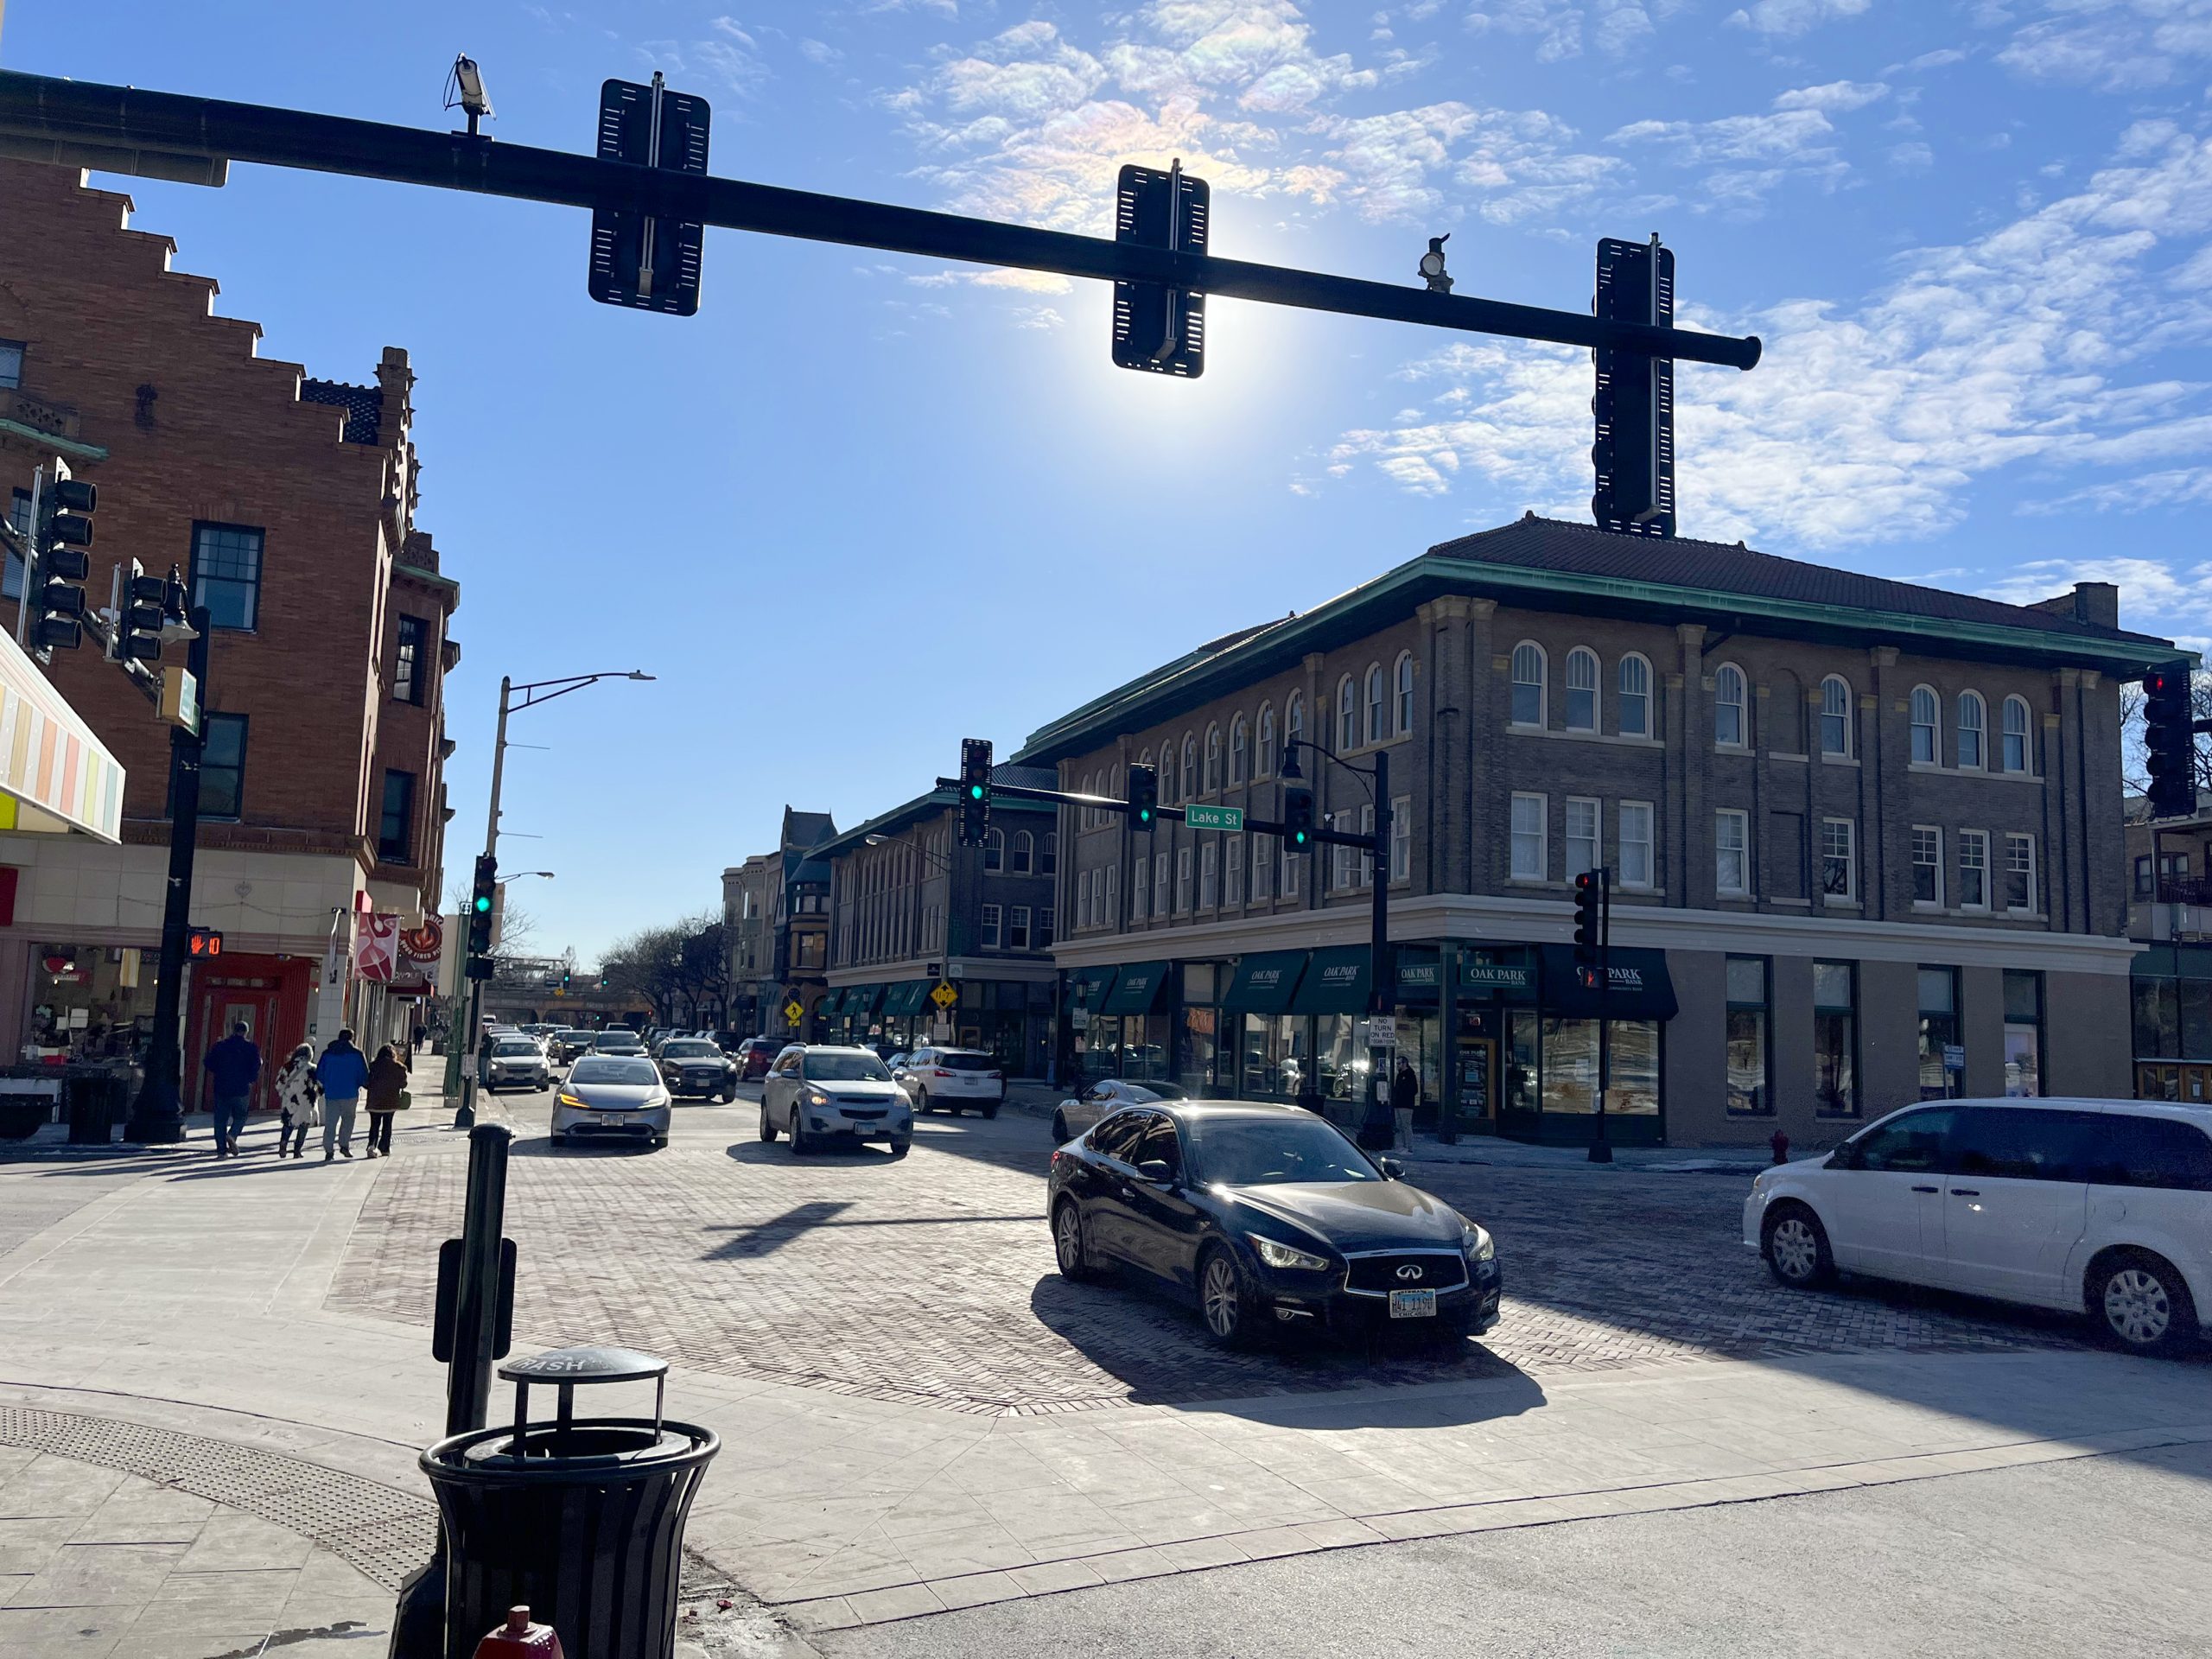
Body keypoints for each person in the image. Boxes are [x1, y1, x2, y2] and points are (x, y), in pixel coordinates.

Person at [201, 1020, 262, 1159]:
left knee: (220, 1120)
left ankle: (221, 1151)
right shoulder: (251, 1048)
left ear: (233, 1031)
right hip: (241, 1087)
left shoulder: (220, 1046)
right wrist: (250, 1079)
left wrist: (219, 1072)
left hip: (221, 1087)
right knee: (241, 1116)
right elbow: (256, 1066)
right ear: (246, 1032)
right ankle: (232, 1134)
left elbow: (208, 1062)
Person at [315, 1028, 370, 1161]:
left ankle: (329, 1150)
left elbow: (319, 1073)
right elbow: (364, 1075)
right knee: (348, 1120)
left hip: (332, 1093)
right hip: (350, 1093)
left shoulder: (327, 1053)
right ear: (352, 1038)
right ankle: (344, 1144)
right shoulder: (357, 1054)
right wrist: (360, 1084)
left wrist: (328, 1083)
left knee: (330, 1123)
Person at [275, 1043, 321, 1160]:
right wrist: (316, 1096)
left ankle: (283, 1143)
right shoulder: (313, 1069)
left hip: (290, 1100)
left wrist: (284, 1092)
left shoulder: (287, 1067)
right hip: (306, 1101)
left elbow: (278, 1084)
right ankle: (297, 1150)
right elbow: (321, 1086)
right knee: (304, 1124)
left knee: (288, 1123)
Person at [363, 1043, 409, 1159]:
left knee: (374, 1125)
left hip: (375, 1101)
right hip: (390, 1101)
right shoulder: (399, 1067)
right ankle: (385, 1148)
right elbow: (403, 1084)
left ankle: (372, 1145)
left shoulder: (373, 1066)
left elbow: (367, 1083)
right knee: (387, 1125)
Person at [1390, 1058, 1420, 1154]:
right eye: (1397, 1063)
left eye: (1399, 1063)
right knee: (1399, 1126)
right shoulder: (1399, 1075)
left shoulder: (1410, 1074)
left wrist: (1404, 1095)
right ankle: (1402, 1146)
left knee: (1406, 1126)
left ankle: (1409, 1147)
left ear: (1405, 1063)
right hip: (1398, 1104)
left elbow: (1414, 1090)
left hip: (1406, 1105)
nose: (1397, 1065)